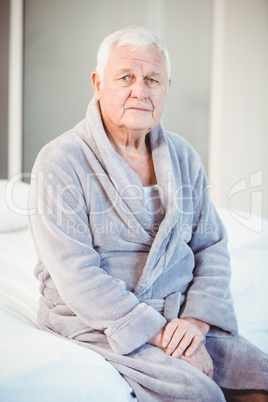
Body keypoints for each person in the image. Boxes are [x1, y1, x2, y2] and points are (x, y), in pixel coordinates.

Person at [28, 26, 268, 401]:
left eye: (152, 79)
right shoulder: (61, 160)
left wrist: (195, 321)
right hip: (102, 319)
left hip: (180, 316)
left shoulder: (182, 156)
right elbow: (77, 276)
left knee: (260, 376)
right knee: (196, 391)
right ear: (97, 83)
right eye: (126, 77)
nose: (140, 90)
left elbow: (212, 247)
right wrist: (160, 334)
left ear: (166, 88)